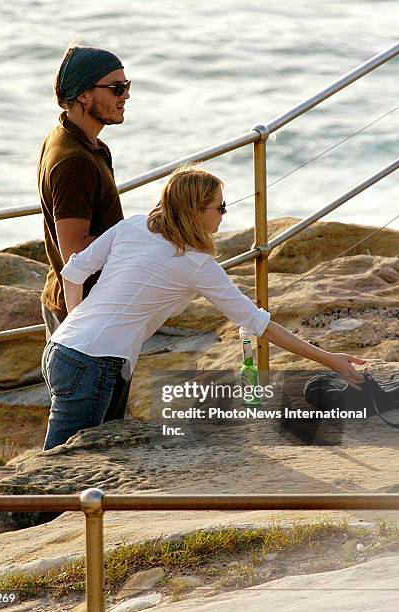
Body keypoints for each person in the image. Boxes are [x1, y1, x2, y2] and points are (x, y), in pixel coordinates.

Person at [41, 165, 366, 450]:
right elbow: (258, 324)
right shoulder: (194, 263)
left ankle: (77, 520)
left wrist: (78, 323)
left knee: (93, 458)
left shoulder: (132, 226)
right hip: (93, 363)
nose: (224, 214)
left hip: (65, 349)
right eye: (220, 207)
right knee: (59, 470)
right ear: (195, 211)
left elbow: (73, 271)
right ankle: (17, 517)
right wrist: (330, 360)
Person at [38, 44, 131, 336]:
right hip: (85, 315)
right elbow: (75, 252)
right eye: (116, 88)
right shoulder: (74, 161)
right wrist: (138, 235)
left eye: (127, 86)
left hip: (82, 304)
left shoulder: (74, 140)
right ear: (83, 95)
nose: (126, 95)